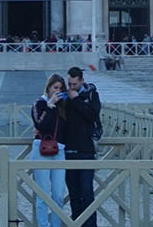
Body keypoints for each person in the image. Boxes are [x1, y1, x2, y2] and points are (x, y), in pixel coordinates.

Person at [58, 65, 102, 227]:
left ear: (81, 81)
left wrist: (76, 99)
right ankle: (76, 224)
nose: (71, 88)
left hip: (86, 150)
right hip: (68, 150)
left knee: (87, 192)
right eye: (69, 84)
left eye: (74, 84)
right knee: (74, 193)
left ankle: (90, 225)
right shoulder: (65, 97)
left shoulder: (91, 95)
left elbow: (92, 115)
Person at [27, 74, 67, 227]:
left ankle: (56, 225)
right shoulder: (39, 103)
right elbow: (40, 124)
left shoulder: (63, 106)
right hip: (41, 150)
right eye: (55, 88)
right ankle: (43, 225)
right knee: (42, 194)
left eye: (60, 88)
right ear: (48, 87)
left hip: (60, 150)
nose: (57, 91)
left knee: (58, 194)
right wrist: (50, 105)